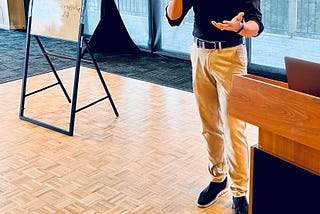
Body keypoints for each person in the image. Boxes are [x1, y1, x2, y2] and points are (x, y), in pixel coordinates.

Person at [165, 1, 264, 213]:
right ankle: (218, 178)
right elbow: (173, 18)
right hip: (199, 54)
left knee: (234, 128)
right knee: (209, 124)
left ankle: (239, 191)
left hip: (231, 56)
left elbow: (256, 26)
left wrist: (239, 27)